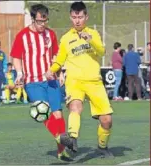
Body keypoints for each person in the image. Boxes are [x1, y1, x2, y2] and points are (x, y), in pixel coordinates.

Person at [46, 1, 113, 158]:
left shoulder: (93, 34)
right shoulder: (66, 39)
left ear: (86, 17)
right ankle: (72, 140)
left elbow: (102, 51)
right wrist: (52, 70)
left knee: (107, 121)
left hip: (94, 82)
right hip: (74, 81)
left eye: (80, 17)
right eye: (74, 17)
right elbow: (59, 59)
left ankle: (102, 146)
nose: (77, 20)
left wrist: (90, 39)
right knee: (75, 107)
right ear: (70, 17)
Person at [10, 4, 70, 160]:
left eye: (45, 21)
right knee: (43, 110)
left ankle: (61, 151)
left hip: (51, 80)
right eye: (39, 21)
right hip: (33, 81)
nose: (43, 24)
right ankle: (60, 137)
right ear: (32, 19)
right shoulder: (22, 35)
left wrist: (60, 72)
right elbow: (16, 56)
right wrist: (19, 73)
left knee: (58, 114)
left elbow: (56, 55)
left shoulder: (51, 34)